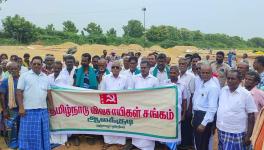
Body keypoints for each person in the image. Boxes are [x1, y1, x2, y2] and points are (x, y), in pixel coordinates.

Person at [17, 56, 54, 149]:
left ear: (42, 65)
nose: (36, 65)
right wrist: (21, 108)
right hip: (28, 110)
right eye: (34, 63)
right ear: (30, 64)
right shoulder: (24, 76)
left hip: (43, 110)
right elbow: (19, 92)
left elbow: (48, 92)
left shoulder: (45, 77)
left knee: (42, 133)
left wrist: (51, 104)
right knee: (28, 134)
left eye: (39, 64)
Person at [217, 70, 257, 149]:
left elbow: (251, 116)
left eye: (233, 79)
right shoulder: (223, 90)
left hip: (236, 132)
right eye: (228, 78)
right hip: (221, 129)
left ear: (239, 80)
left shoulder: (246, 94)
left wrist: (248, 136)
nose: (230, 81)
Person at [128, 60, 159, 150]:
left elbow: (157, 95)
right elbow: (130, 93)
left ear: (149, 68)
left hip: (149, 110)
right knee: (137, 129)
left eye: (145, 67)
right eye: (141, 67)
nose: (143, 69)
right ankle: (137, 146)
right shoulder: (134, 78)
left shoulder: (154, 80)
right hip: (137, 109)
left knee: (148, 130)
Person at [100, 61, 128, 150]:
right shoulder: (105, 78)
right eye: (113, 67)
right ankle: (108, 142)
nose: (115, 69)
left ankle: (120, 142)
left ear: (120, 69)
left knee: (120, 123)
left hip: (121, 106)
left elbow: (128, 92)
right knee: (108, 123)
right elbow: (101, 91)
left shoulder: (125, 79)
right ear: (111, 69)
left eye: (117, 67)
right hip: (108, 105)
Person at [192, 64, 219, 150]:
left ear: (211, 74)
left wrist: (203, 124)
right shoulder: (201, 83)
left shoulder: (213, 87)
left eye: (207, 73)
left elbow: (212, 108)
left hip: (204, 118)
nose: (205, 74)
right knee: (197, 142)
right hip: (197, 115)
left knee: (203, 144)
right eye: (203, 72)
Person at [163, 66, 188, 150]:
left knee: (175, 133)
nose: (172, 74)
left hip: (177, 114)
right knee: (167, 133)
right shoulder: (165, 83)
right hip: (166, 114)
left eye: (174, 73)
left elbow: (185, 101)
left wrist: (183, 114)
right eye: (170, 73)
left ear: (178, 74)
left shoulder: (183, 85)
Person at [0, 62, 20, 149]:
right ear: (8, 70)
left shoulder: (23, 79)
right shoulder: (5, 81)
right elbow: (2, 96)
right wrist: (4, 110)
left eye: (15, 68)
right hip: (11, 109)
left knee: (21, 126)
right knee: (11, 127)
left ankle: (20, 144)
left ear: (19, 69)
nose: (13, 70)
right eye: (11, 69)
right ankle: (11, 145)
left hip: (24, 108)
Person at [178, 58, 195, 149]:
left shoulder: (191, 77)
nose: (181, 65)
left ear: (187, 65)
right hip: (177, 107)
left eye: (183, 64)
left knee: (186, 128)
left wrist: (189, 109)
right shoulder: (177, 75)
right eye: (180, 64)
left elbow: (192, 94)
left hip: (186, 107)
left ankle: (186, 145)